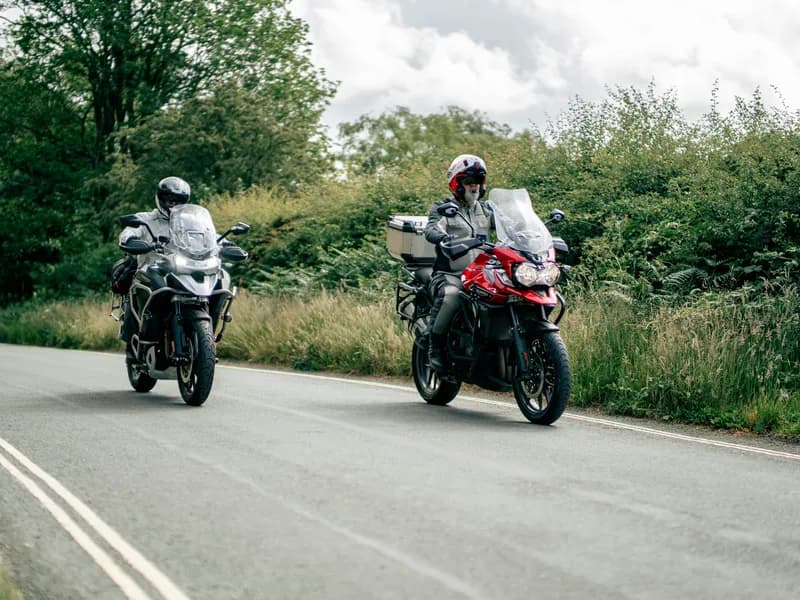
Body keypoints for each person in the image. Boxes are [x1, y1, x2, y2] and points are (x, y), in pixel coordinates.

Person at [423, 154, 494, 373]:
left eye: (478, 182)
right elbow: (432, 228)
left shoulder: (487, 210)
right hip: (451, 273)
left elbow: (510, 226)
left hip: (483, 273)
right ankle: (433, 344)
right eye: (469, 182)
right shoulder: (443, 208)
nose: (474, 187)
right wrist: (443, 237)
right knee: (452, 296)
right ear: (457, 184)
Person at [117, 176, 192, 346]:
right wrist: (129, 240)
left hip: (181, 270)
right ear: (161, 198)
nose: (173, 204)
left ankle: (200, 334)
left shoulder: (189, 223)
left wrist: (223, 242)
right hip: (150, 270)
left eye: (178, 201)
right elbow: (128, 232)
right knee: (158, 288)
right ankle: (145, 335)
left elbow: (208, 235)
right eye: (169, 200)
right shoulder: (145, 219)